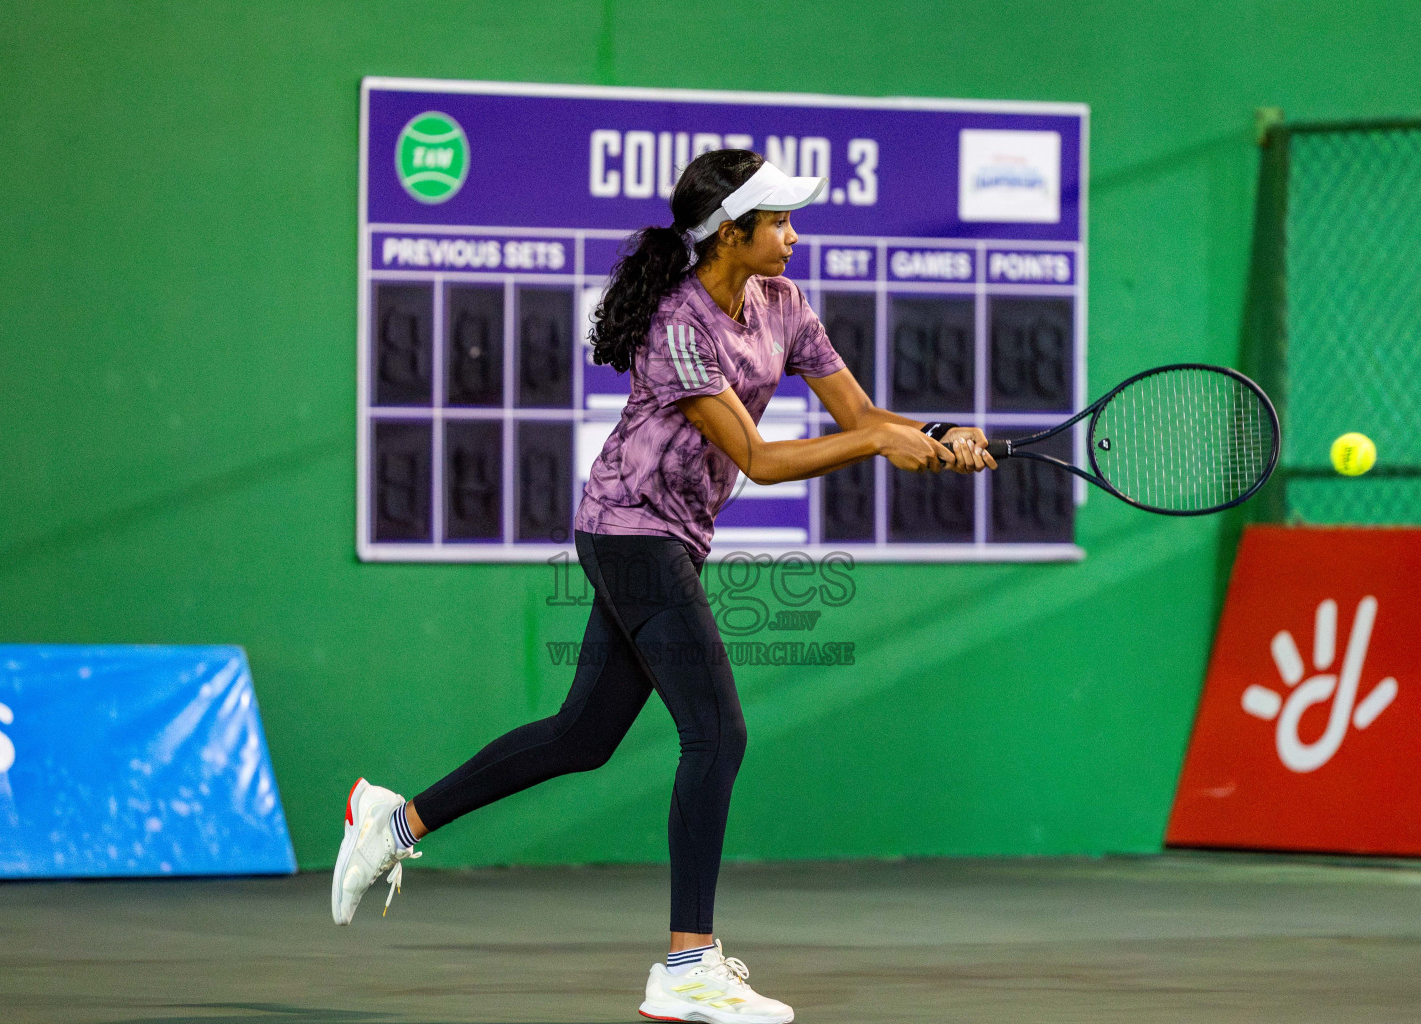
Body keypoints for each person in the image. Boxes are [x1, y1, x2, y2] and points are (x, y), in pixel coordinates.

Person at [331, 149, 996, 1024]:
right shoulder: (676, 325)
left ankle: (393, 822)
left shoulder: (786, 306)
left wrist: (935, 431)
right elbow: (757, 460)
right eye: (780, 223)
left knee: (582, 737)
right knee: (716, 734)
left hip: (667, 537)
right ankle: (688, 964)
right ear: (731, 232)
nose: (794, 237)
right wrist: (881, 445)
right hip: (629, 531)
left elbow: (860, 417)